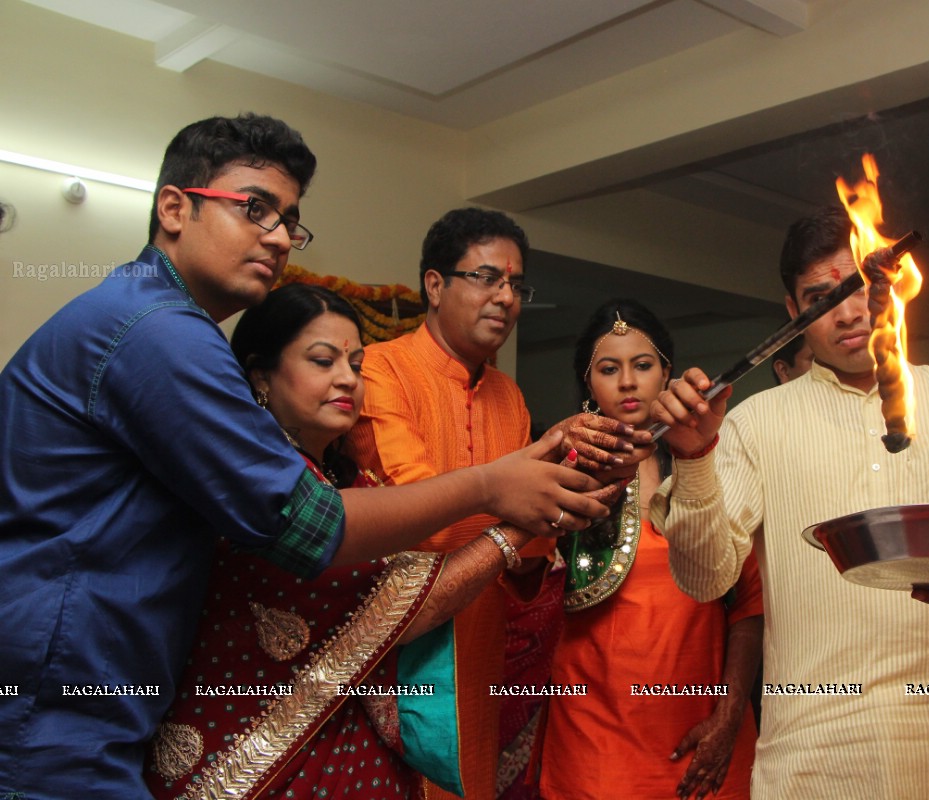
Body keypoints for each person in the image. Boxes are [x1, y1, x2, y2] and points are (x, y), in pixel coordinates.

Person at [0, 115, 612, 800]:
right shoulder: (157, 332)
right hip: (55, 705)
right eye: (254, 208)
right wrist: (494, 491)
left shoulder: (149, 318)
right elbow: (310, 525)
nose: (280, 236)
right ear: (175, 208)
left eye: (290, 219)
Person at [649, 206, 929, 798]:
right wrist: (694, 460)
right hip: (815, 751)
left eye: (860, 289)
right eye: (822, 297)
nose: (849, 312)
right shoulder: (756, 421)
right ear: (794, 313)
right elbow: (702, 580)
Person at [142, 283, 565, 796]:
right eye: (323, 361)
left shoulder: (355, 483)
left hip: (344, 747)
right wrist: (517, 522)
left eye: (357, 365)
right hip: (249, 757)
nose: (347, 378)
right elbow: (406, 607)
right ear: (260, 377)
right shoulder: (255, 483)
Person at [346, 208, 647, 799]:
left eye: (515, 284)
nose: (506, 298)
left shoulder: (508, 395)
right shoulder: (379, 371)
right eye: (487, 277)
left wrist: (582, 489)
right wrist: (538, 477)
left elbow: (532, 545)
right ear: (435, 285)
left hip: (488, 651)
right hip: (399, 650)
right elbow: (420, 514)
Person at [539, 299, 763, 800]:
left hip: (704, 727)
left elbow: (750, 605)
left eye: (643, 365)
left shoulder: (710, 460)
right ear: (587, 382)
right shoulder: (557, 471)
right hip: (593, 736)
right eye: (608, 368)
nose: (627, 382)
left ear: (667, 372)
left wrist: (727, 717)